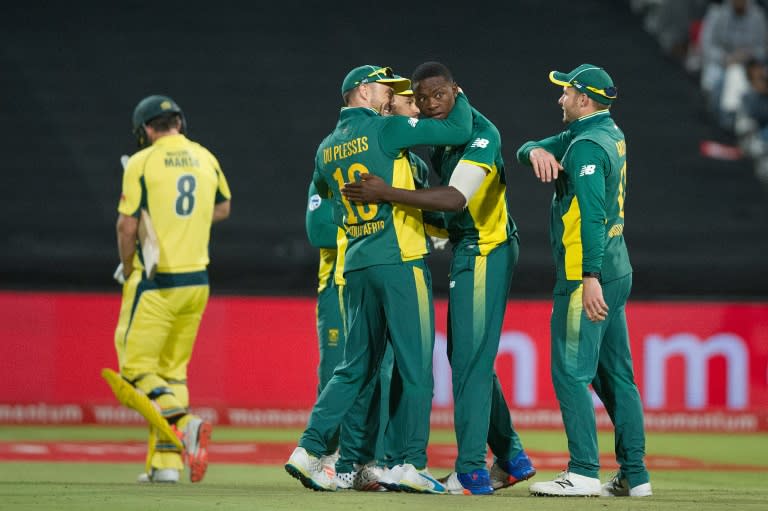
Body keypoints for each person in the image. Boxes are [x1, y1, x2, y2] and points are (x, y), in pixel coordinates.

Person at [341, 61, 535, 496]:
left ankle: (470, 472)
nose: (428, 104)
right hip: (468, 249)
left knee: (469, 363)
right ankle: (513, 457)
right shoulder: (441, 132)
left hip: (487, 250)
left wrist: (385, 193)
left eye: (437, 95)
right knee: (471, 358)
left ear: (456, 91)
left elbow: (455, 197)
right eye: (422, 97)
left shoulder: (482, 133)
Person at [284, 64, 473, 494]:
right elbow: (458, 131)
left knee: (353, 367)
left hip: (355, 266)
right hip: (400, 261)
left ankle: (308, 449)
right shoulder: (386, 131)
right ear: (364, 91)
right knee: (416, 367)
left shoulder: (325, 147)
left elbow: (326, 206)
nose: (390, 96)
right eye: (384, 89)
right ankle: (411, 464)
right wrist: (455, 92)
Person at [515, 64, 651, 497]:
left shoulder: (586, 146)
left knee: (571, 373)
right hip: (617, 267)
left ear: (584, 99)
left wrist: (588, 276)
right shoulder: (604, 132)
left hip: (586, 275)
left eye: (566, 92)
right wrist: (533, 150)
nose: (560, 99)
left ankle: (583, 471)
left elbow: (592, 217)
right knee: (616, 378)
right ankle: (634, 475)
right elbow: (534, 147)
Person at [113, 94, 231, 484]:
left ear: (146, 129)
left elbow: (126, 226)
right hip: (197, 281)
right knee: (172, 374)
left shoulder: (143, 161)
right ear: (179, 122)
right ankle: (165, 465)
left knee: (134, 371)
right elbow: (223, 207)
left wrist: (130, 266)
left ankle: (185, 424)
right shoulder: (205, 156)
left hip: (157, 280)